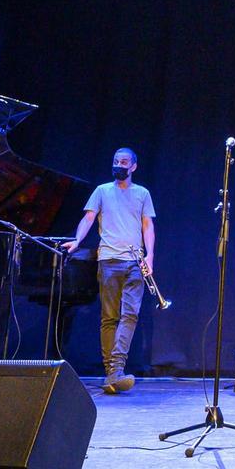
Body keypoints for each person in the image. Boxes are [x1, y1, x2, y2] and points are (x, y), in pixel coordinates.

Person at [60, 147, 155, 394]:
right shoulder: (102, 191)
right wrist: (78, 240)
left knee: (130, 314)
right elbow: (88, 219)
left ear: (133, 166)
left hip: (135, 261)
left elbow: (148, 226)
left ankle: (115, 371)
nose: (119, 165)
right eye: (115, 161)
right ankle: (112, 373)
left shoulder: (142, 194)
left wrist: (150, 256)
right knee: (110, 317)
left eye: (124, 162)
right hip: (108, 260)